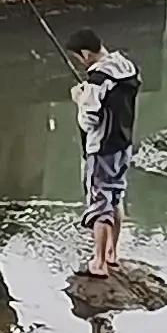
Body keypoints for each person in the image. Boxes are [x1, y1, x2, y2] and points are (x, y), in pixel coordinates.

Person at [66, 31, 139, 279]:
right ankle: (112, 253)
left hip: (101, 149)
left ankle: (98, 262)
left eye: (78, 58)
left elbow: (89, 120)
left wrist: (79, 98)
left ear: (86, 54)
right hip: (123, 143)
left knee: (99, 204)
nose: (79, 62)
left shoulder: (97, 80)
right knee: (115, 196)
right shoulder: (127, 67)